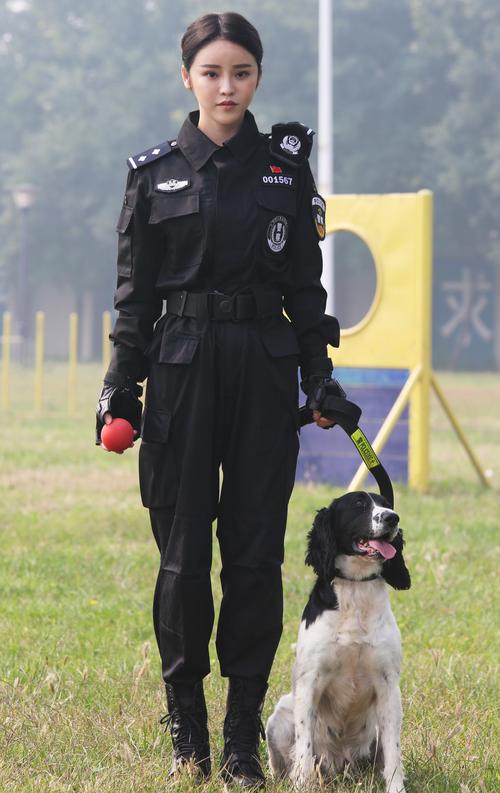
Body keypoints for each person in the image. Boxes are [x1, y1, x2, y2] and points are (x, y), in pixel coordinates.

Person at [96, 11, 340, 789]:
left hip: (265, 376)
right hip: (180, 369)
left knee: (256, 554)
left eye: (240, 71)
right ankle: (186, 727)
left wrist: (319, 374)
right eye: (212, 72)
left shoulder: (285, 172)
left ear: (257, 76)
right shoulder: (155, 172)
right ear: (188, 79)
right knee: (181, 558)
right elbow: (134, 300)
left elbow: (306, 288)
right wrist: (119, 386)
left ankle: (240, 733)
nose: (226, 86)